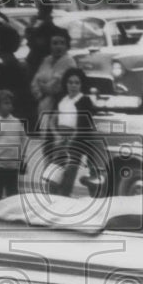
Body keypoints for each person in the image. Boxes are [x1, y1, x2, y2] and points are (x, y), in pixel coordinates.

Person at [49, 67, 102, 197]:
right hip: (60, 138)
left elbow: (83, 123)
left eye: (76, 83)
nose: (73, 85)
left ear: (81, 84)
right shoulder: (63, 100)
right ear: (65, 84)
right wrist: (57, 136)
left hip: (76, 140)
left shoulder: (84, 100)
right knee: (55, 172)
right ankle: (54, 197)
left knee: (70, 170)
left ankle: (65, 196)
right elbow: (52, 120)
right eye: (70, 82)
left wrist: (71, 139)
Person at [30, 26, 74, 137]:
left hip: (59, 108)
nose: (58, 46)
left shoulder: (68, 62)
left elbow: (53, 87)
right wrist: (41, 92)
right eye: (55, 43)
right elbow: (34, 83)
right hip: (43, 106)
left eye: (62, 43)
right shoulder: (46, 60)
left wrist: (43, 86)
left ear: (67, 45)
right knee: (45, 142)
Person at [24, 1, 58, 76]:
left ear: (44, 11)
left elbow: (30, 38)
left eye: (39, 10)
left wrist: (31, 24)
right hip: (36, 60)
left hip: (38, 61)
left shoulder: (47, 27)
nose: (38, 13)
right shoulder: (40, 24)